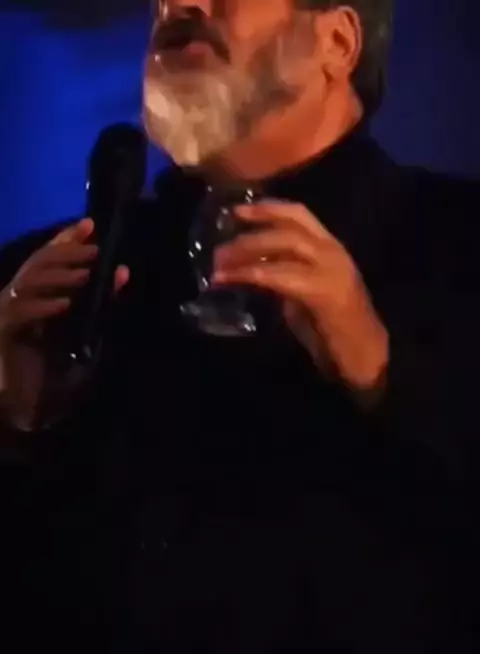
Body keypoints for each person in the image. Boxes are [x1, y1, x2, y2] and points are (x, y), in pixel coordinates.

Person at [0, 0, 479, 652]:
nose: (178, 5)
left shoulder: (461, 248)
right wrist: (17, 426)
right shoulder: (44, 282)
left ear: (337, 42)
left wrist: (386, 375)